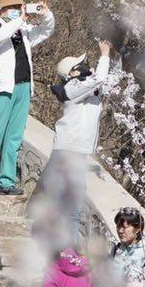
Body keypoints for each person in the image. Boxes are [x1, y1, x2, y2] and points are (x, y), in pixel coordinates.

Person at [0, 0, 54, 198]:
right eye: (15, 8)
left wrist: (45, 14)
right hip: (0, 88)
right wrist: (19, 20)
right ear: (3, 9)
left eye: (20, 7)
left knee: (14, 137)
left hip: (23, 87)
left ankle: (6, 181)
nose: (19, 11)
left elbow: (45, 31)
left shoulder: (22, 30)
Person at [34, 41, 117, 250]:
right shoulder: (73, 88)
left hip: (77, 152)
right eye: (80, 65)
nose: (85, 67)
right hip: (67, 150)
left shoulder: (85, 87)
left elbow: (104, 79)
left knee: (74, 206)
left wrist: (115, 55)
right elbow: (99, 77)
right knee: (59, 199)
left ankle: (66, 248)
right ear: (71, 73)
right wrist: (104, 55)